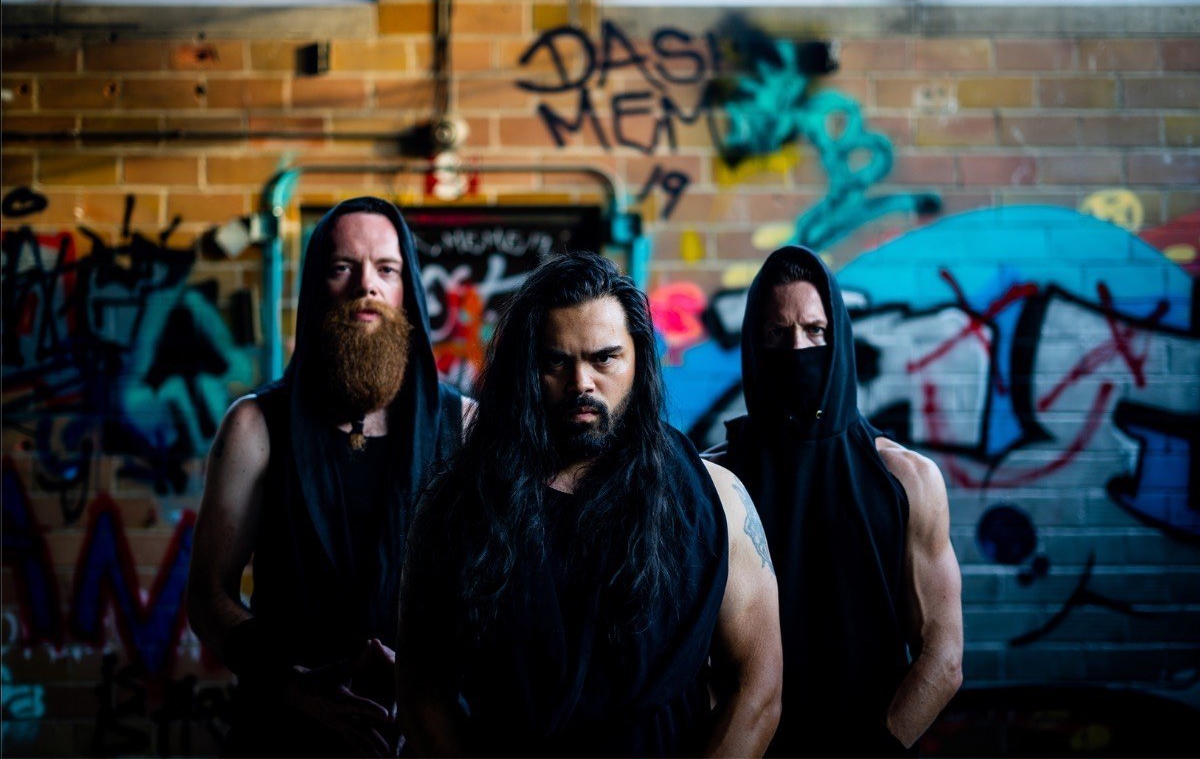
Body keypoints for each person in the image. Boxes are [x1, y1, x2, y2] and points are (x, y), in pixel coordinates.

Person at [398, 252, 782, 757]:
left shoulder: (717, 499)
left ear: (638, 360)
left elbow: (757, 690)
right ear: (528, 369)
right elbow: (422, 693)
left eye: (604, 359)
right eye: (557, 362)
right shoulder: (457, 505)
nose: (581, 383)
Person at [187, 197, 468, 757]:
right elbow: (206, 596)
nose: (367, 285)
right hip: (283, 736)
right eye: (343, 267)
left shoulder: (463, 427)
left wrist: (429, 677)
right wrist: (291, 683)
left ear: (407, 289)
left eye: (386, 269)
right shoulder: (255, 425)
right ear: (317, 288)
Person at [704, 245, 963, 757]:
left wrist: (877, 749)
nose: (797, 349)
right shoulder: (714, 482)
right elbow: (696, 659)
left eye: (814, 331)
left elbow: (943, 655)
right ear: (755, 345)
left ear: (838, 337)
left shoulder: (907, 480)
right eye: (777, 334)